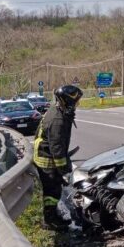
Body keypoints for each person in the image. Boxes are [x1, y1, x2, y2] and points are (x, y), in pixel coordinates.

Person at [33, 84, 82, 231]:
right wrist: (63, 170)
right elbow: (57, 147)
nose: (77, 105)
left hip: (46, 155)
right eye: (76, 102)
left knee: (53, 189)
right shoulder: (57, 120)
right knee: (52, 191)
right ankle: (50, 221)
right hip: (47, 159)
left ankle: (52, 216)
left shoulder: (57, 111)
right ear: (68, 102)